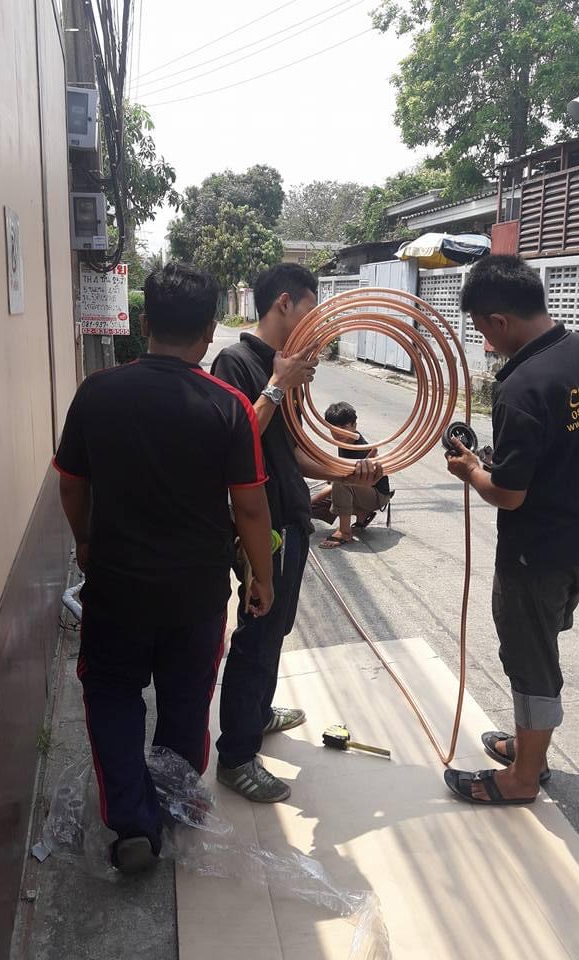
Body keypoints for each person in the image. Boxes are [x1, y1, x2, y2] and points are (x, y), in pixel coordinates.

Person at [54, 262, 273, 872]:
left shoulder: (97, 394)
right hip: (195, 594)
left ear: (145, 321)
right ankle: (176, 802)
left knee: (112, 693)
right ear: (208, 331)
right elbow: (251, 507)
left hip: (116, 587)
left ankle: (134, 824)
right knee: (185, 698)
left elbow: (71, 485)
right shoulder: (229, 406)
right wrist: (262, 577)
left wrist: (85, 542)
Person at [444, 255, 579, 806]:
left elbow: (508, 494)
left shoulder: (520, 387)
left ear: (500, 320)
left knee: (530, 657)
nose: (485, 341)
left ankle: (524, 777)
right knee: (540, 645)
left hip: (539, 554)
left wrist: (471, 470)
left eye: (483, 329)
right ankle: (529, 747)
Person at [211, 263, 383, 802]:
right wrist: (278, 384)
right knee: (258, 633)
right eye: (311, 306)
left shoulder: (283, 369)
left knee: (276, 627)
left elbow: (292, 453)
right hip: (263, 526)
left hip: (291, 517)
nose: (318, 322)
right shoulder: (238, 363)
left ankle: (257, 712)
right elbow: (233, 444)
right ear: (284, 303)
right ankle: (236, 757)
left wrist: (346, 471)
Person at [314, 401, 393, 549]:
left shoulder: (361, 448)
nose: (339, 433)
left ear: (354, 425)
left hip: (377, 495)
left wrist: (309, 501)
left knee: (342, 482)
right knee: (317, 505)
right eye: (334, 429)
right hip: (364, 491)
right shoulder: (345, 442)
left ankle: (345, 532)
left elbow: (346, 481)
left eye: (344, 428)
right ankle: (362, 514)